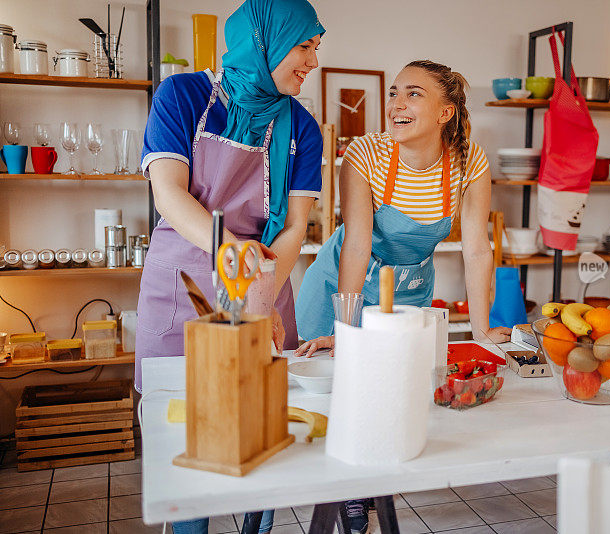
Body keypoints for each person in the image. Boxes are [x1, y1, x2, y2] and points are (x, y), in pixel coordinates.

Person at [294, 59, 511, 532]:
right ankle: (343, 497)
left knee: (389, 391)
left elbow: (476, 248)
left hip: (408, 285)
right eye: (394, 92)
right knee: (335, 388)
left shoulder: (468, 161)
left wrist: (479, 328)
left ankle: (376, 487)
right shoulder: (366, 154)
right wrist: (345, 329)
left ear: (446, 112)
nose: (396, 103)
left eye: (413, 93)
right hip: (343, 282)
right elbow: (355, 244)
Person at [136, 0, 324, 532]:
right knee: (187, 448)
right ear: (263, 42)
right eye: (303, 46)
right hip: (185, 287)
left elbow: (294, 229)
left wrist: (260, 288)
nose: (312, 60)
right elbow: (169, 194)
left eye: (315, 47)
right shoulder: (184, 96)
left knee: (258, 436)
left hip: (265, 282)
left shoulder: (301, 126)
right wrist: (227, 253)